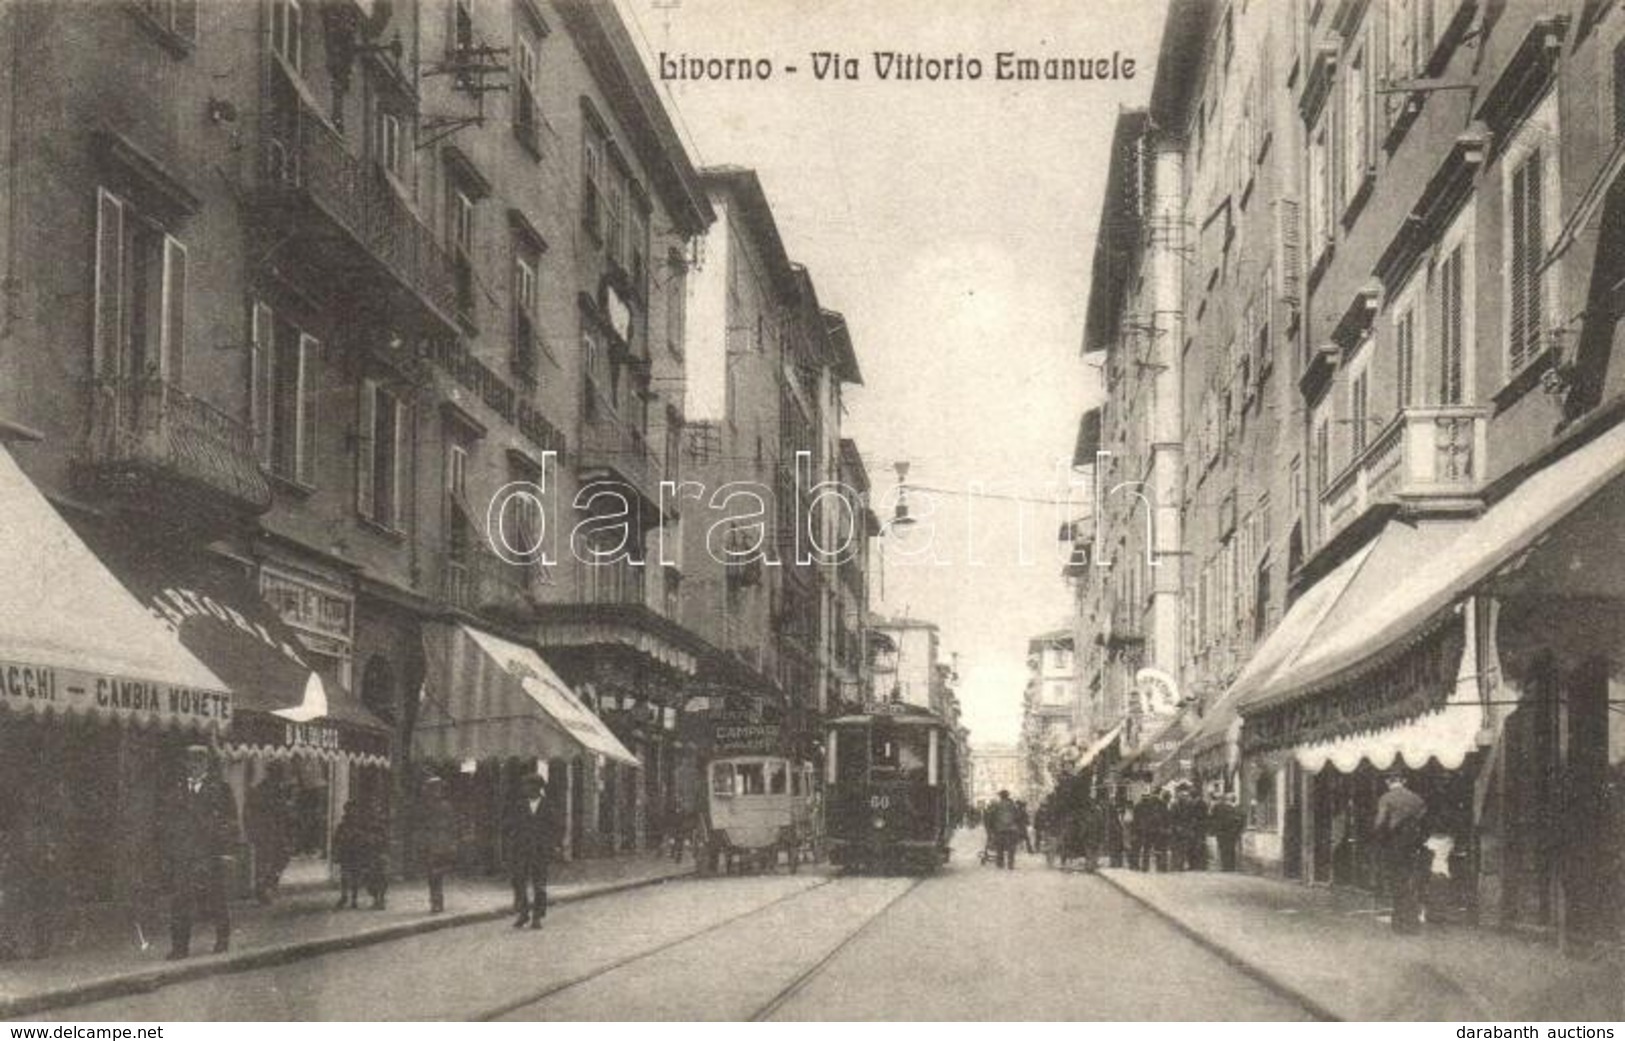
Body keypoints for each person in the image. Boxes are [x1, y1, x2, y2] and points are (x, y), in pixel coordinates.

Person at [163, 745, 239, 960]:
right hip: (184, 855)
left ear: (206, 764)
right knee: (180, 901)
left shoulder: (221, 789)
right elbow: (169, 822)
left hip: (211, 853)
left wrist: (227, 852)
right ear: (186, 764)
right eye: (190, 761)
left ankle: (222, 939)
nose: (194, 766)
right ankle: (179, 947)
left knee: (216, 898)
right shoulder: (177, 789)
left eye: (199, 761)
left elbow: (230, 822)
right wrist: (171, 851)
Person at [1374, 771, 1428, 934]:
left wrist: (1378, 836)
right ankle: (1412, 920)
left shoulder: (1386, 798)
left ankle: (1400, 922)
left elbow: (1379, 822)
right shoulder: (1417, 799)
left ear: (1387, 781)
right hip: (1413, 844)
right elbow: (1422, 818)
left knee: (1397, 881)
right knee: (1410, 879)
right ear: (1403, 781)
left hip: (1395, 843)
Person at [504, 774, 553, 928]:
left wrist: (550, 846)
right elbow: (511, 825)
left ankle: (537, 916)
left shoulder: (548, 805)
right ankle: (523, 913)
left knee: (539, 884)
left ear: (538, 788)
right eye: (525, 786)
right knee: (518, 882)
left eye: (529, 786)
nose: (526, 789)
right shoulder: (519, 805)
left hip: (540, 851)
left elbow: (554, 828)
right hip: (521, 850)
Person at [244, 767, 292, 905]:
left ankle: (269, 885)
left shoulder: (277, 790)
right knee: (265, 862)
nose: (280, 777)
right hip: (266, 832)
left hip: (276, 832)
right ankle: (263, 890)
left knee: (280, 858)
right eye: (279, 774)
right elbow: (253, 811)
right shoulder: (263, 790)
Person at [418, 778, 457, 914]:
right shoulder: (425, 807)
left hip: (442, 843)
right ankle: (436, 900)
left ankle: (437, 900)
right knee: (432, 874)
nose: (435, 792)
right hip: (431, 843)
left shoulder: (445, 806)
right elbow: (421, 825)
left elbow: (452, 826)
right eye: (433, 788)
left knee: (436, 873)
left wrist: (452, 843)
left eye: (437, 788)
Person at [333, 799, 366, 910]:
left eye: (354, 809)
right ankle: (344, 896)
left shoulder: (359, 824)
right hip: (346, 852)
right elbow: (337, 839)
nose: (352, 812)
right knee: (345, 876)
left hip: (357, 852)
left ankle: (354, 899)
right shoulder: (343, 824)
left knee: (355, 876)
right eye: (349, 809)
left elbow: (364, 838)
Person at [986, 790, 1023, 870]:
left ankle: (1000, 863)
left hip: (1000, 829)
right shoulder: (1013, 805)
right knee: (1011, 847)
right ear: (1007, 796)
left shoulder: (997, 805)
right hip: (1012, 829)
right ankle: (1010, 864)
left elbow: (991, 817)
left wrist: (991, 828)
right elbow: (1018, 816)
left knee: (1000, 847)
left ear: (1001, 796)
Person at [1209, 792, 1244, 872]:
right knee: (1230, 849)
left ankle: (1226, 866)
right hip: (1230, 832)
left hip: (1224, 832)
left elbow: (1213, 818)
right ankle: (1230, 866)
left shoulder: (1221, 807)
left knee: (1225, 849)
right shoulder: (1236, 808)